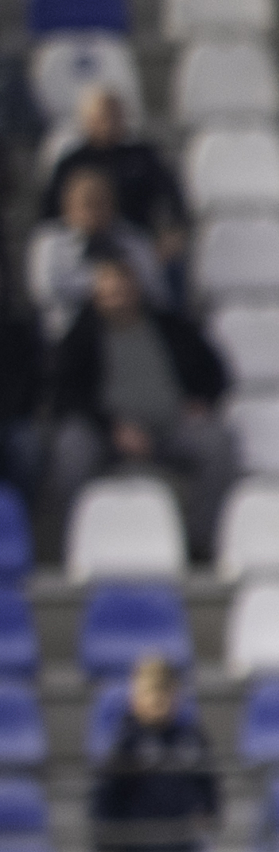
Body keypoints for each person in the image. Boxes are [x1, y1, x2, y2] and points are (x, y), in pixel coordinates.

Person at [42, 255, 236, 560]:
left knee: (218, 443)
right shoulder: (80, 336)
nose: (117, 299)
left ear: (137, 289)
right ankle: (69, 545)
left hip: (171, 425)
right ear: (96, 297)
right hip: (106, 431)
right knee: (70, 450)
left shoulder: (171, 326)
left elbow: (216, 370)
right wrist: (112, 427)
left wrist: (202, 401)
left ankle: (201, 545)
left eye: (123, 290)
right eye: (109, 293)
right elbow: (67, 394)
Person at [38, 84, 189, 272]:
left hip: (138, 244)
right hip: (82, 250)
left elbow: (171, 196)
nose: (109, 123)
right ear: (87, 120)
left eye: (115, 115)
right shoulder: (71, 163)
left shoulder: (143, 156)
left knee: (172, 260)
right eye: (103, 116)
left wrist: (172, 231)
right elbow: (49, 214)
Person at [90, 653, 218, 852]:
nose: (158, 699)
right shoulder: (126, 742)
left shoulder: (191, 738)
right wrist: (106, 847)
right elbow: (106, 798)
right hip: (137, 849)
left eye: (165, 691)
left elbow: (208, 784)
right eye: (150, 691)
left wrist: (211, 813)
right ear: (135, 696)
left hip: (182, 845)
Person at [28, 166, 164, 326]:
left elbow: (156, 290)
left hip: (128, 328)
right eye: (88, 203)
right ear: (68, 205)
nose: (95, 211)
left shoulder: (133, 239)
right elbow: (44, 290)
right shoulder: (49, 241)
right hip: (68, 331)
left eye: (101, 202)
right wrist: (104, 286)